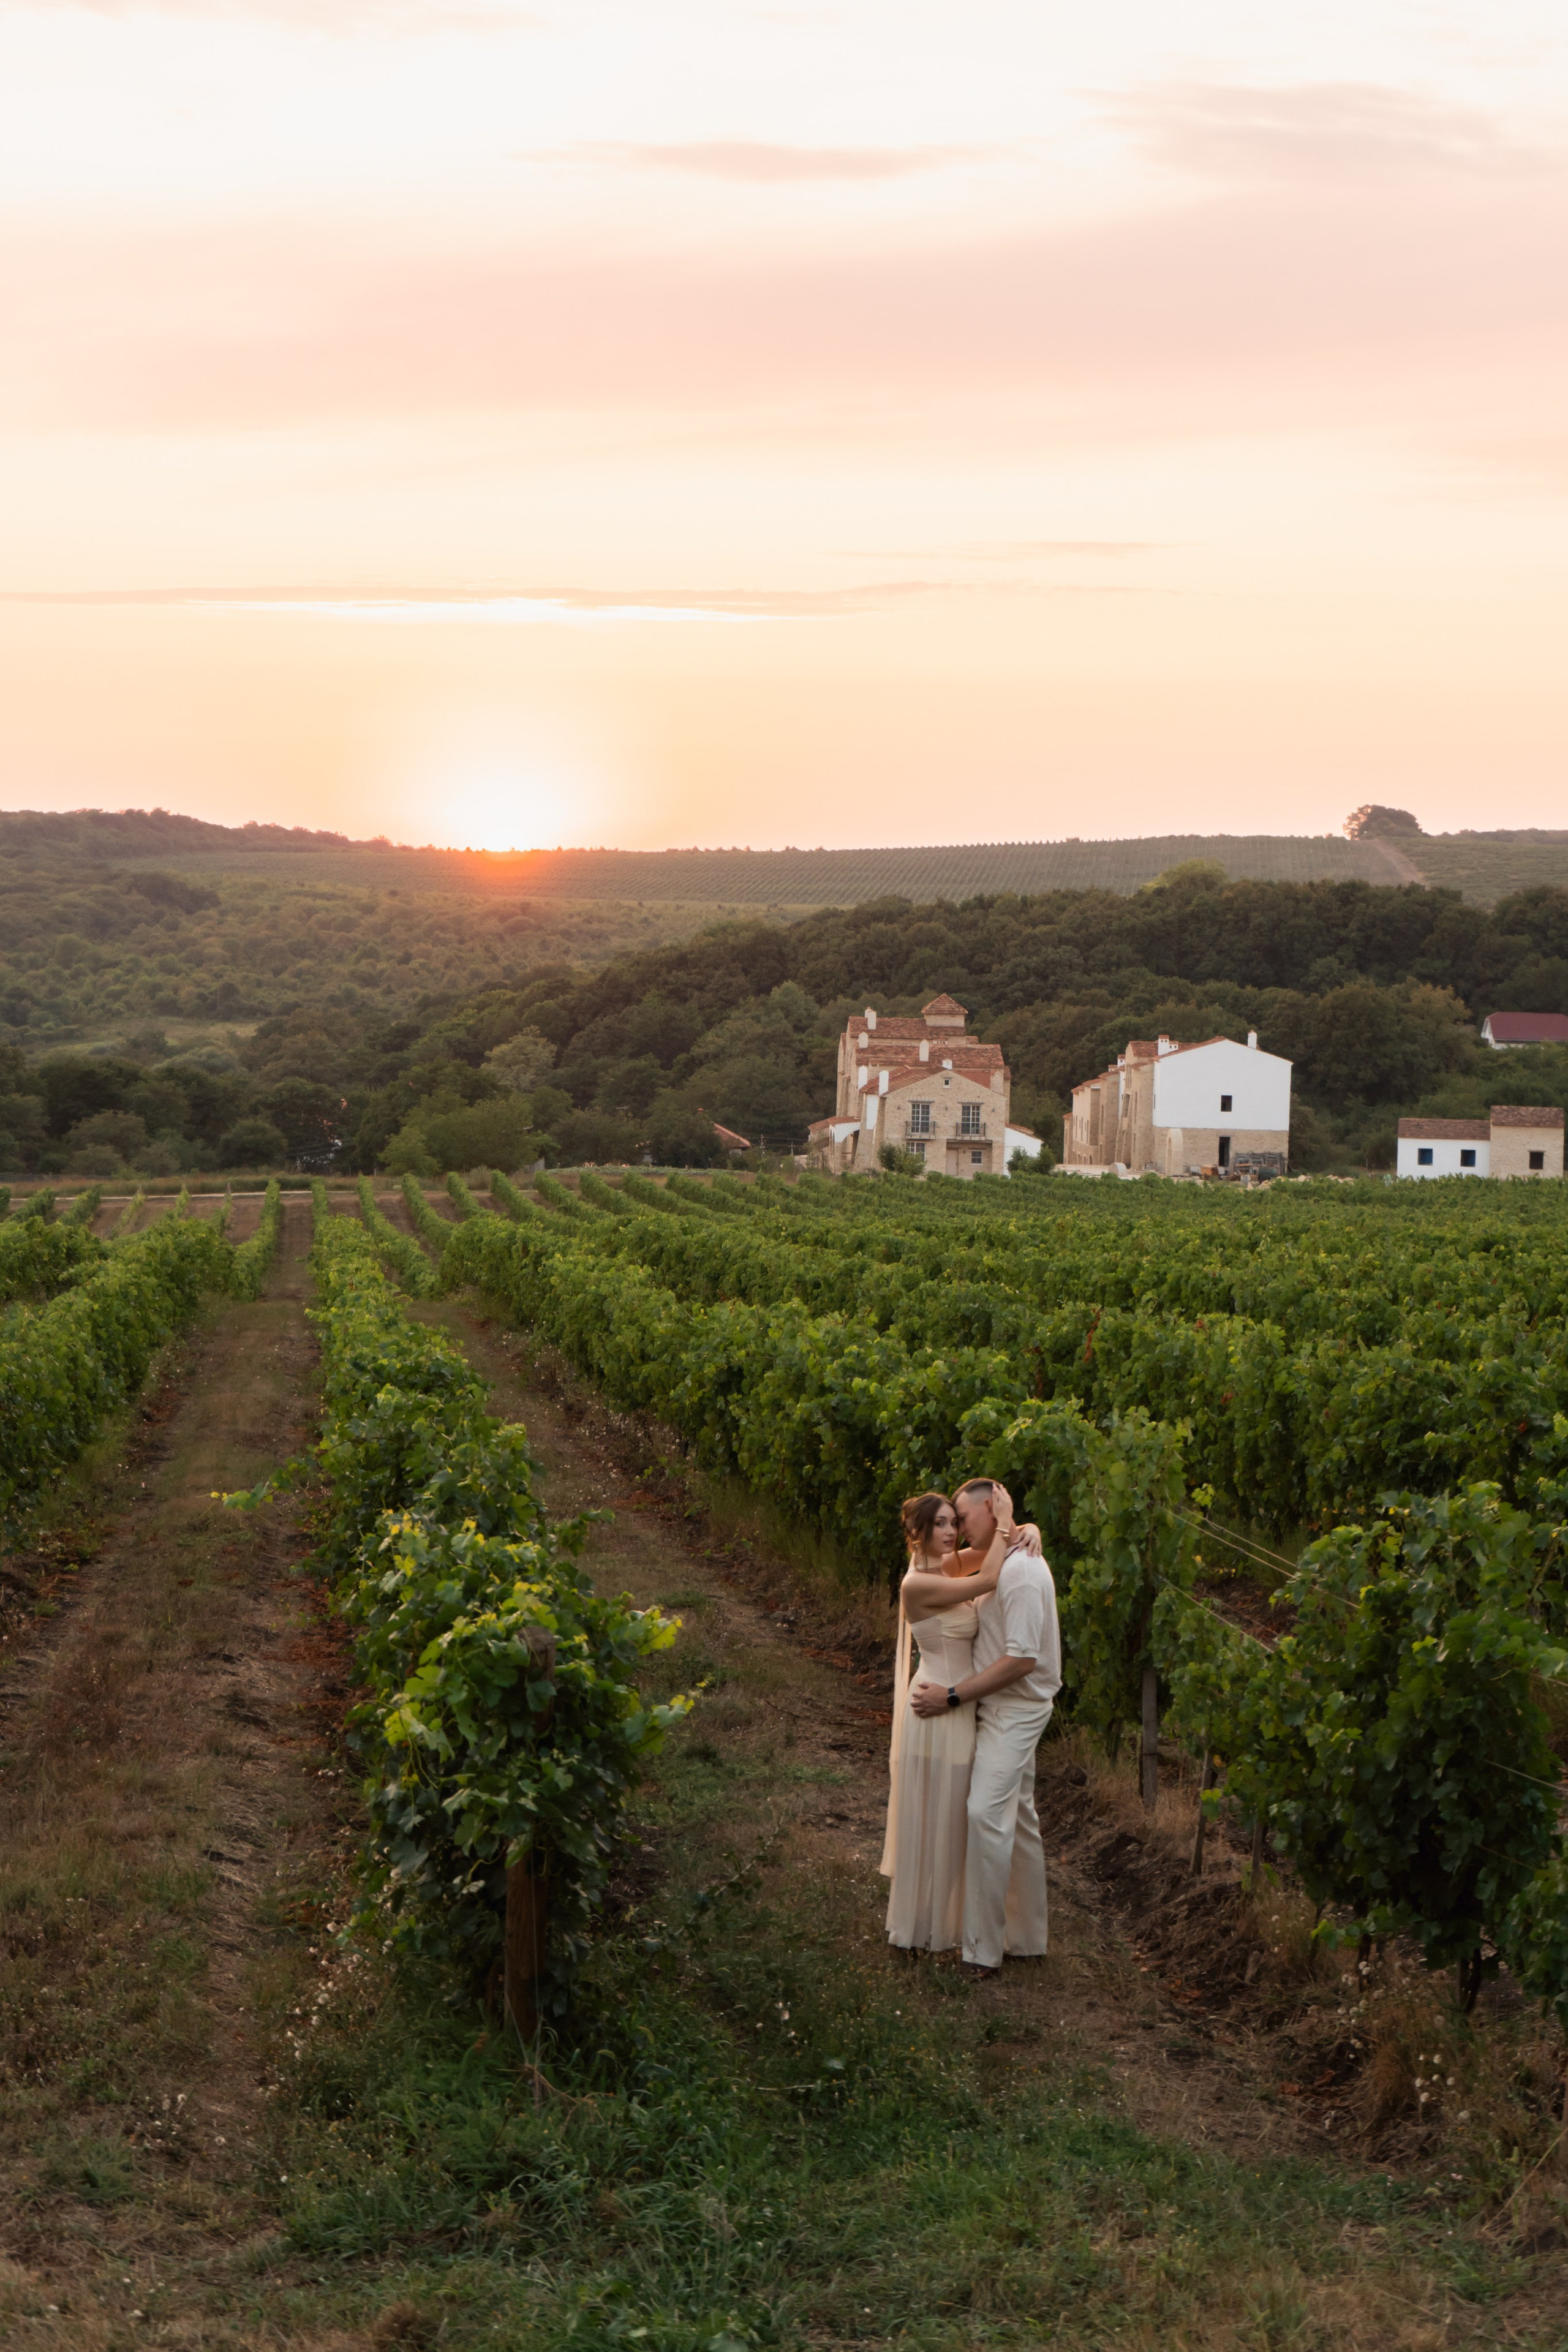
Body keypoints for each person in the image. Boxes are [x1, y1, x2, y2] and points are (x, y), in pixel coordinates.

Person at [910, 1476, 1061, 1975]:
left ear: (991, 1510)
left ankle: (981, 1951)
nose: (955, 1527)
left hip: (1012, 1711)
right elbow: (963, 1575)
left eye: (962, 1516)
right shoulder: (1003, 1557)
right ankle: (1027, 1938)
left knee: (983, 1815)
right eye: (945, 1520)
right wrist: (1021, 1526)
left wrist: (953, 1696)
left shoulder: (1019, 1573)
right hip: (997, 1707)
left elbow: (1021, 1661)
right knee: (1017, 1819)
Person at [879, 1485, 1025, 1953]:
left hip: (957, 1706)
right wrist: (1005, 1520)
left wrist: (1028, 1528)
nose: (952, 1532)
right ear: (917, 1532)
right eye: (940, 1524)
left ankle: (937, 1921)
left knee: (954, 1818)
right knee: (933, 1816)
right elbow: (987, 1579)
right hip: (934, 1709)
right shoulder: (916, 1584)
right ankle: (915, 1928)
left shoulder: (945, 1565)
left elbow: (985, 1556)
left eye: (954, 1522)